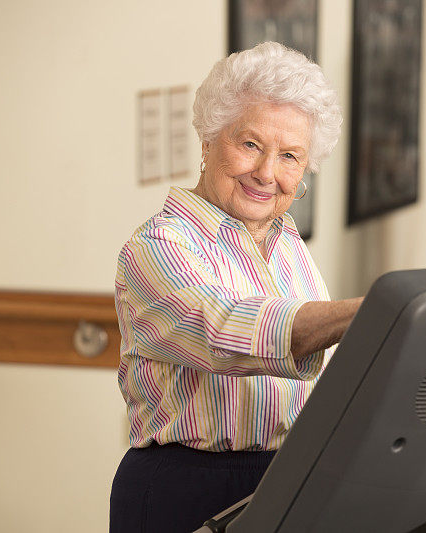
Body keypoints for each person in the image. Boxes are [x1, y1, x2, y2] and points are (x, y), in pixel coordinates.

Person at [110, 42, 363, 532]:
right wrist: (369, 312)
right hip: (184, 490)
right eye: (250, 145)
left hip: (287, 480)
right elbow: (224, 329)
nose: (267, 173)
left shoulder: (289, 244)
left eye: (289, 156)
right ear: (208, 140)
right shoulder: (157, 247)